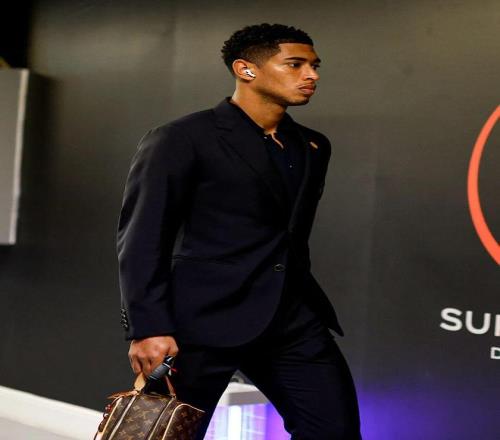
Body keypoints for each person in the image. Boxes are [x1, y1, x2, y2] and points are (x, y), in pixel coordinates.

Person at [116, 23, 361, 440]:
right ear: (246, 70)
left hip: (291, 321)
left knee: (334, 431)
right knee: (165, 435)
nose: (311, 75)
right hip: (200, 321)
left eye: (315, 66)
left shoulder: (314, 146)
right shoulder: (181, 138)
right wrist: (148, 326)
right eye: (295, 64)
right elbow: (142, 237)